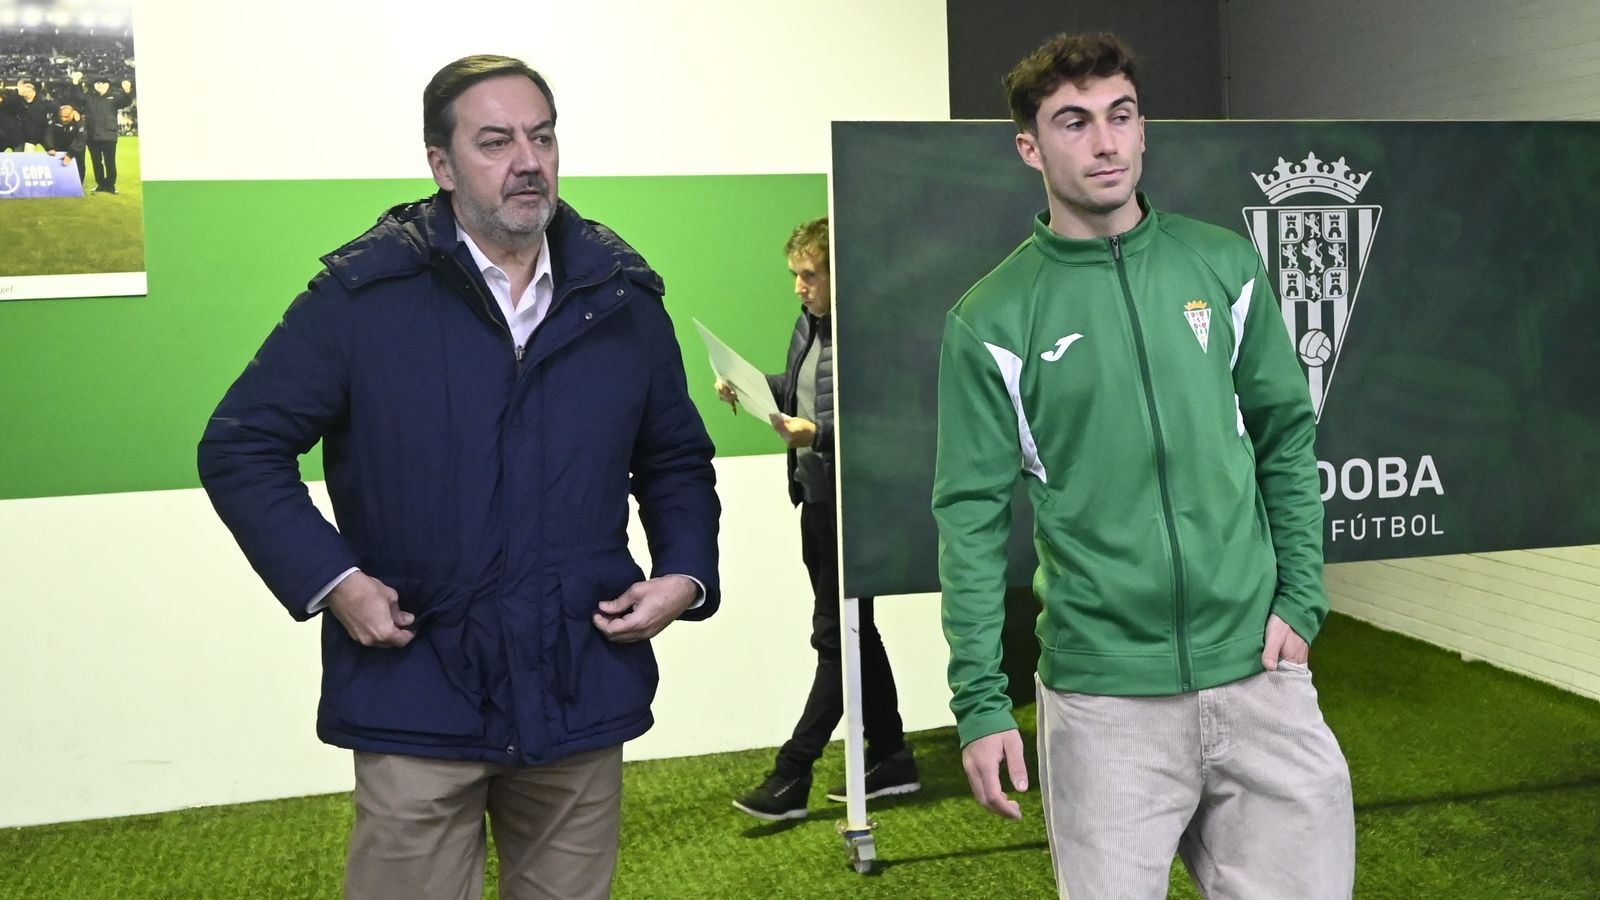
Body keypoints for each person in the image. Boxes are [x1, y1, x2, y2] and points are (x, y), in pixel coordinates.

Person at [198, 54, 721, 899]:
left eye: (542, 136)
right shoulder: (364, 299)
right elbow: (240, 445)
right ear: (441, 166)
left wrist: (685, 574)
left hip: (576, 684)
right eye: (495, 141)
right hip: (418, 686)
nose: (527, 160)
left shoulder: (619, 300)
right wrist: (335, 582)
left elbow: (674, 460)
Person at [932, 32, 1355, 898]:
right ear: (1029, 146)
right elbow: (969, 520)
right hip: (1104, 705)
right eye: (1075, 122)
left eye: (1120, 116)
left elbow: (1284, 437)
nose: (1105, 142)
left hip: (1262, 678)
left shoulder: (1224, 266)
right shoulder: (991, 319)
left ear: (1143, 127)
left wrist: (1302, 596)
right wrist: (980, 699)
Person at [717, 218, 919, 821]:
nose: (799, 288)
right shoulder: (812, 325)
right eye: (795, 276)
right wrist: (755, 389)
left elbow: (891, 421)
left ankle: (791, 775)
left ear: (838, 273)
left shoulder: (869, 332)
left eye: (809, 276)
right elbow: (805, 392)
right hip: (815, 496)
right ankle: (892, 758)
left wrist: (822, 433)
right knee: (856, 632)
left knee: (837, 637)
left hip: (854, 505)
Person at [81, 76, 133, 193]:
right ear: (94, 85)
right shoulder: (89, 97)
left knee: (109, 162)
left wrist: (127, 91)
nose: (99, 85)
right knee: (96, 162)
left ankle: (110, 185)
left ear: (107, 85)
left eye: (102, 83)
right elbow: (77, 99)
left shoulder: (114, 97)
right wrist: (75, 84)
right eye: (97, 83)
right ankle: (100, 184)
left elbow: (126, 101)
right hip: (92, 135)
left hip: (108, 135)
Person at [45, 103, 87, 186]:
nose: (63, 119)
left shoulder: (80, 123)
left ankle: (78, 185)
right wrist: (50, 147)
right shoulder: (55, 121)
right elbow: (48, 134)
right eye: (61, 117)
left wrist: (70, 154)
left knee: (79, 166)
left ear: (73, 114)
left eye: (66, 117)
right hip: (59, 149)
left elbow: (81, 139)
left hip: (76, 151)